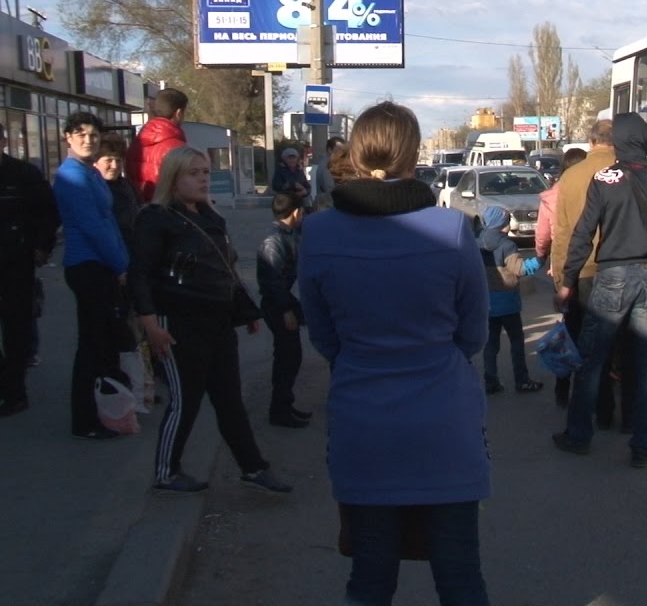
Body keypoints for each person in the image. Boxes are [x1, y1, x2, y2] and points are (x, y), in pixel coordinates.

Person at [298, 101, 491, 605]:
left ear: (357, 157)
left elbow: (323, 333)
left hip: (363, 419)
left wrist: (364, 360)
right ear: (412, 157)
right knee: (460, 575)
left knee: (369, 577)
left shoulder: (318, 232)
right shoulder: (450, 230)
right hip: (444, 420)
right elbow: (473, 332)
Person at [131, 146, 291, 494]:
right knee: (185, 400)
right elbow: (140, 274)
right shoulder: (156, 218)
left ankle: (253, 467)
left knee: (229, 399)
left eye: (205, 172)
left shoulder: (210, 217)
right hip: (177, 323)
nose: (203, 179)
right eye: (194, 173)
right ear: (174, 177)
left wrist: (245, 311)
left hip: (216, 321)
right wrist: (150, 324)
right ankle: (166, 472)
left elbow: (225, 268)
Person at [553, 112, 647, 469]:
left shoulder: (605, 179)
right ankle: (644, 444)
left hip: (612, 276)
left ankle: (578, 435)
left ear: (618, 140)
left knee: (592, 359)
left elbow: (583, 234)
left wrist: (568, 280)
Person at [52, 113, 131, 440]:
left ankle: (104, 411)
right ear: (67, 137)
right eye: (81, 134)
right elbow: (93, 227)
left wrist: (122, 260)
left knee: (102, 343)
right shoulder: (70, 176)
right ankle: (84, 420)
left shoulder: (89, 172)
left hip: (103, 264)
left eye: (94, 135)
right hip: (87, 265)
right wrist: (120, 265)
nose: (88, 140)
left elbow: (109, 221)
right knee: (91, 344)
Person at [549, 121, 630, 424]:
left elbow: (563, 233)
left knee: (584, 344)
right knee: (621, 343)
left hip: (581, 271)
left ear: (591, 141)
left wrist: (561, 280)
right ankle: (624, 416)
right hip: (623, 267)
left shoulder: (571, 176)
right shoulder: (628, 170)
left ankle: (591, 410)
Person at [0, 129, 59, 417]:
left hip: (15, 263)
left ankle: (14, 393)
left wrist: (42, 246)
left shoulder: (22, 175)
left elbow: (48, 212)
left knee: (16, 329)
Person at [94, 134, 154, 414]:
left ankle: (138, 391)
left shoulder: (126, 186)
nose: (114, 165)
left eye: (118, 159)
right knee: (117, 333)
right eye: (108, 159)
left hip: (132, 264)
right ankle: (122, 391)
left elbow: (138, 216)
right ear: (96, 162)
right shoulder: (96, 190)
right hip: (109, 270)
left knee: (135, 331)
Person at [477, 205, 544, 395]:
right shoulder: (507, 245)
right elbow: (520, 269)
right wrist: (539, 260)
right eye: (507, 221)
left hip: (487, 303)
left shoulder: (478, 243)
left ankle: (491, 381)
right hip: (508, 303)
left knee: (491, 344)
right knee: (516, 342)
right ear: (502, 224)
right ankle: (522, 380)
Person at [257, 191, 310, 428]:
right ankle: (279, 410)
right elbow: (272, 282)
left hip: (285, 304)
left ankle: (285, 405)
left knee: (291, 357)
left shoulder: (290, 234)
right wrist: (286, 310)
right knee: (287, 358)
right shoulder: (274, 241)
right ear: (296, 213)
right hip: (278, 307)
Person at [126, 87, 188, 202]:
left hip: (142, 212)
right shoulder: (178, 147)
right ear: (179, 113)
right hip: (170, 212)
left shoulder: (136, 144)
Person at [534, 147, 586, 276]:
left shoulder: (551, 197)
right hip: (592, 258)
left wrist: (541, 254)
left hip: (562, 257)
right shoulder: (596, 189)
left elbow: (543, 234)